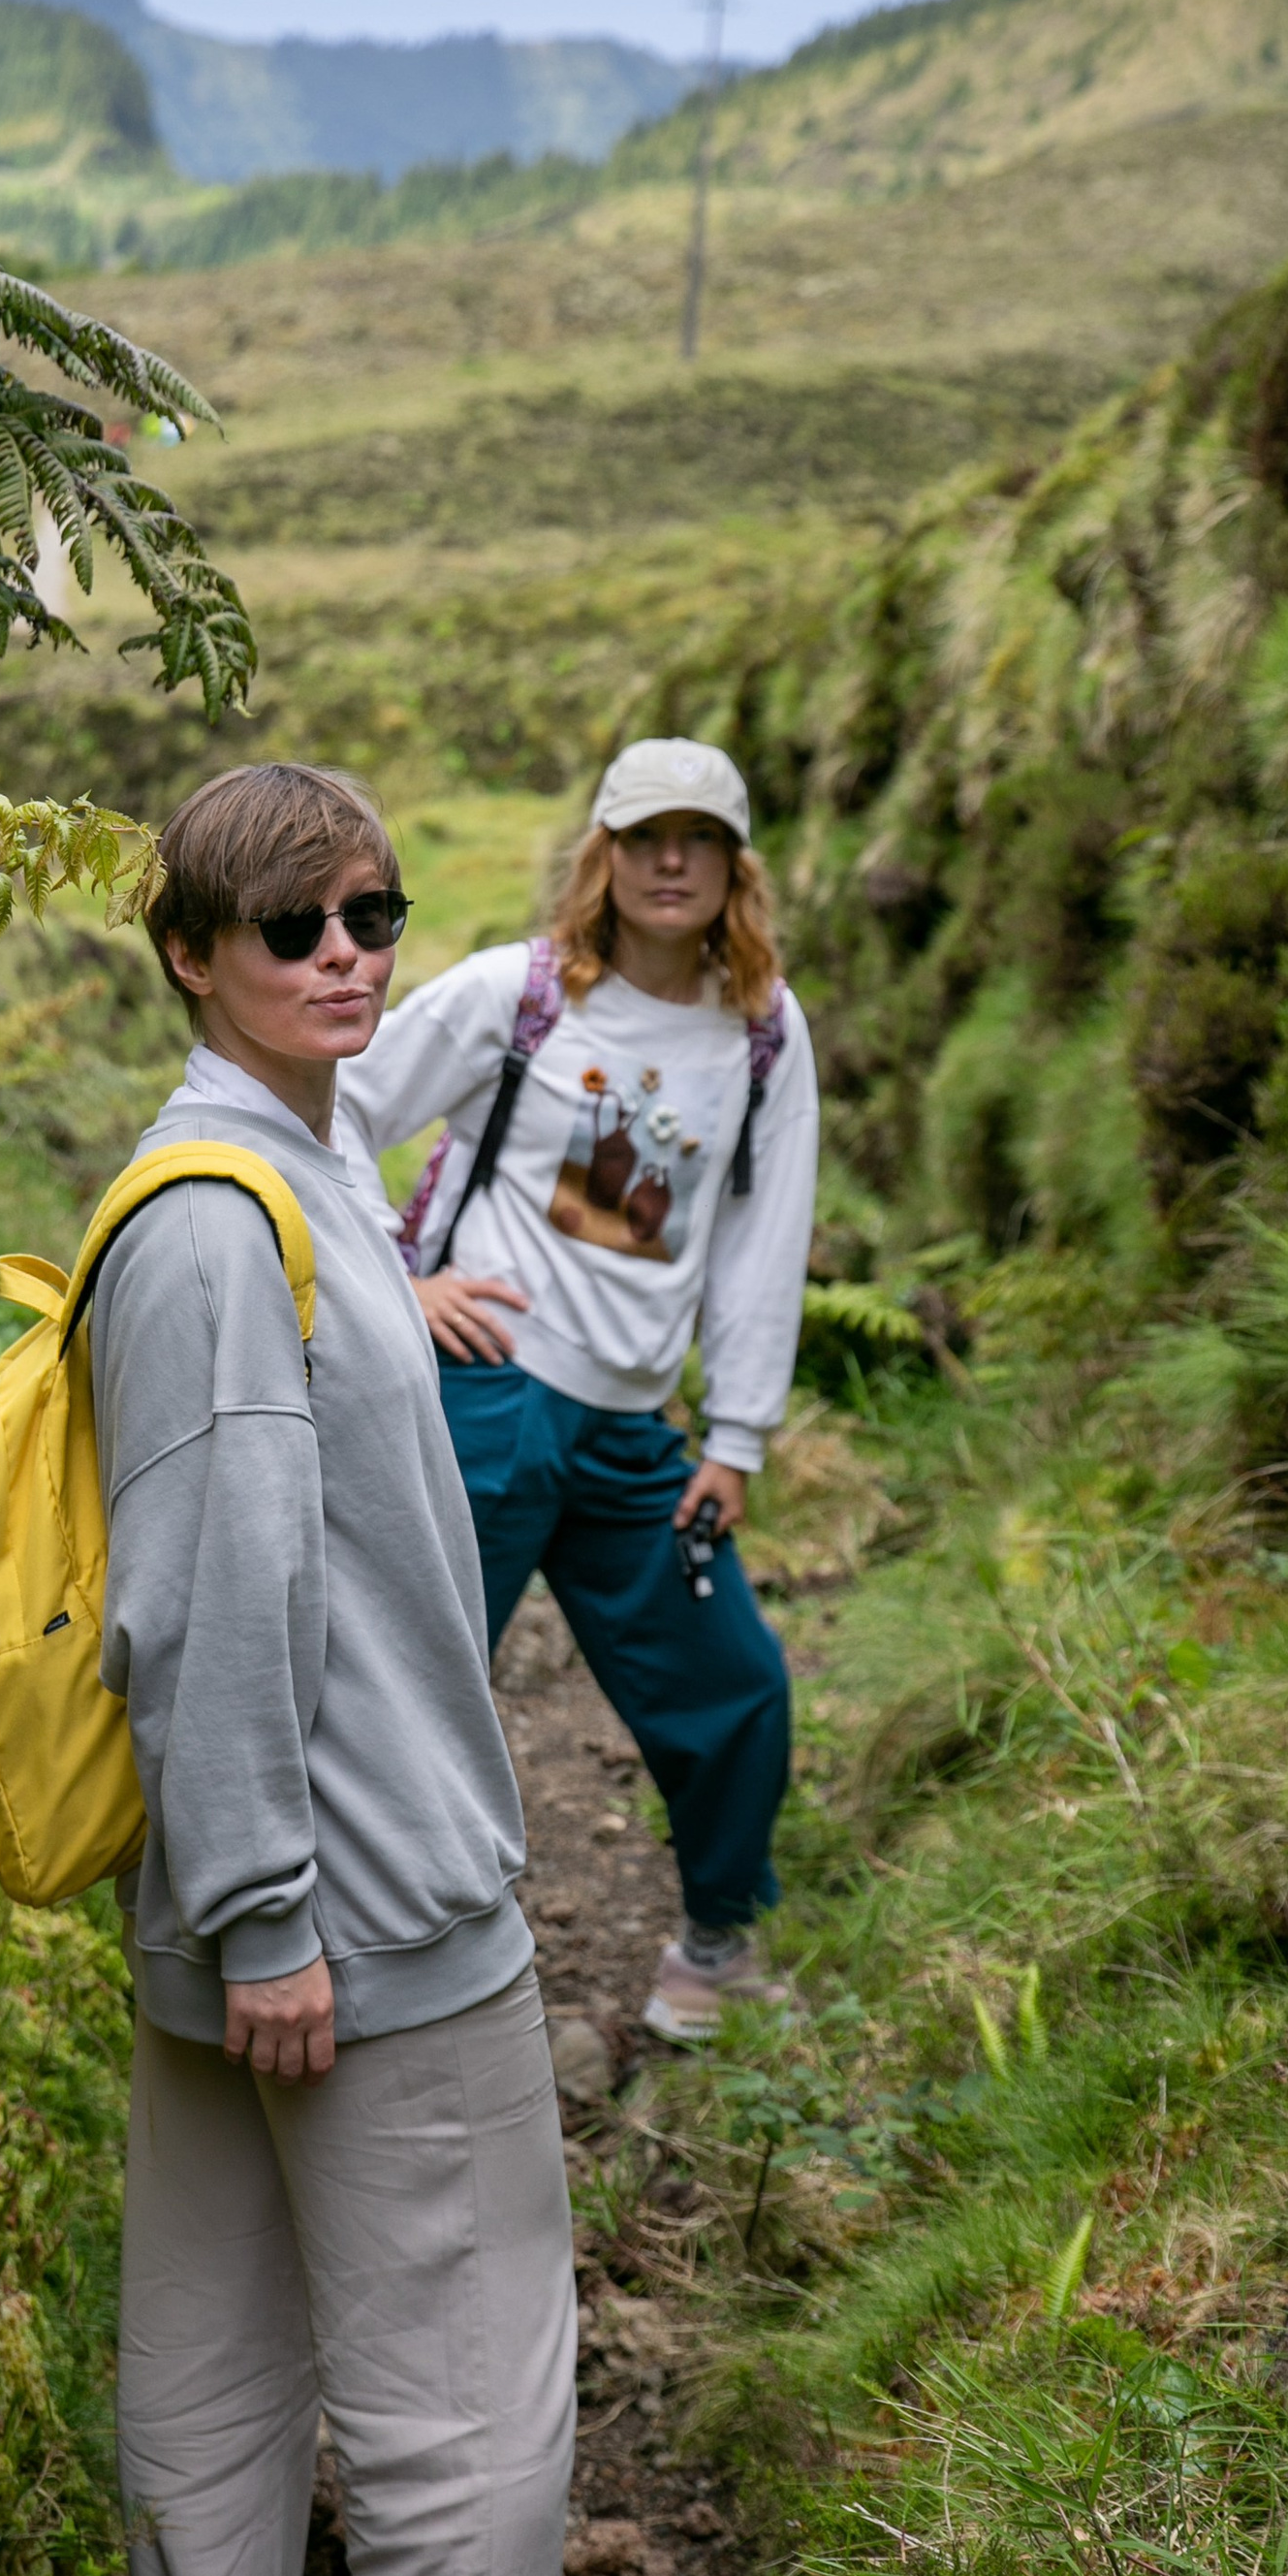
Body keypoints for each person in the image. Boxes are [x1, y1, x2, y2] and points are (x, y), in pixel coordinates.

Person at [80, 759, 664, 2576]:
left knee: (217, 2334)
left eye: (369, 913)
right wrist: (272, 1915)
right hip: (347, 1916)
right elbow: (208, 1594)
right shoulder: (236, 1227)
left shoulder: (267, 1180)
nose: (343, 953)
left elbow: (258, 1455)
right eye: (287, 926)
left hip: (235, 1912)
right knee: (458, 2368)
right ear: (190, 957)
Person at [337, 738, 817, 2044]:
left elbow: (766, 1243)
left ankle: (713, 1951)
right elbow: (335, 1108)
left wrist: (737, 1438)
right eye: (645, 835)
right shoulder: (520, 993)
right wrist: (397, 1279)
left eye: (700, 839)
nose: (672, 861)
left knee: (736, 1685)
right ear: (604, 855)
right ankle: (351, 1959)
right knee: (409, 1686)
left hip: (630, 1434)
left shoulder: (764, 1033)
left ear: (733, 867)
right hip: (485, 1395)